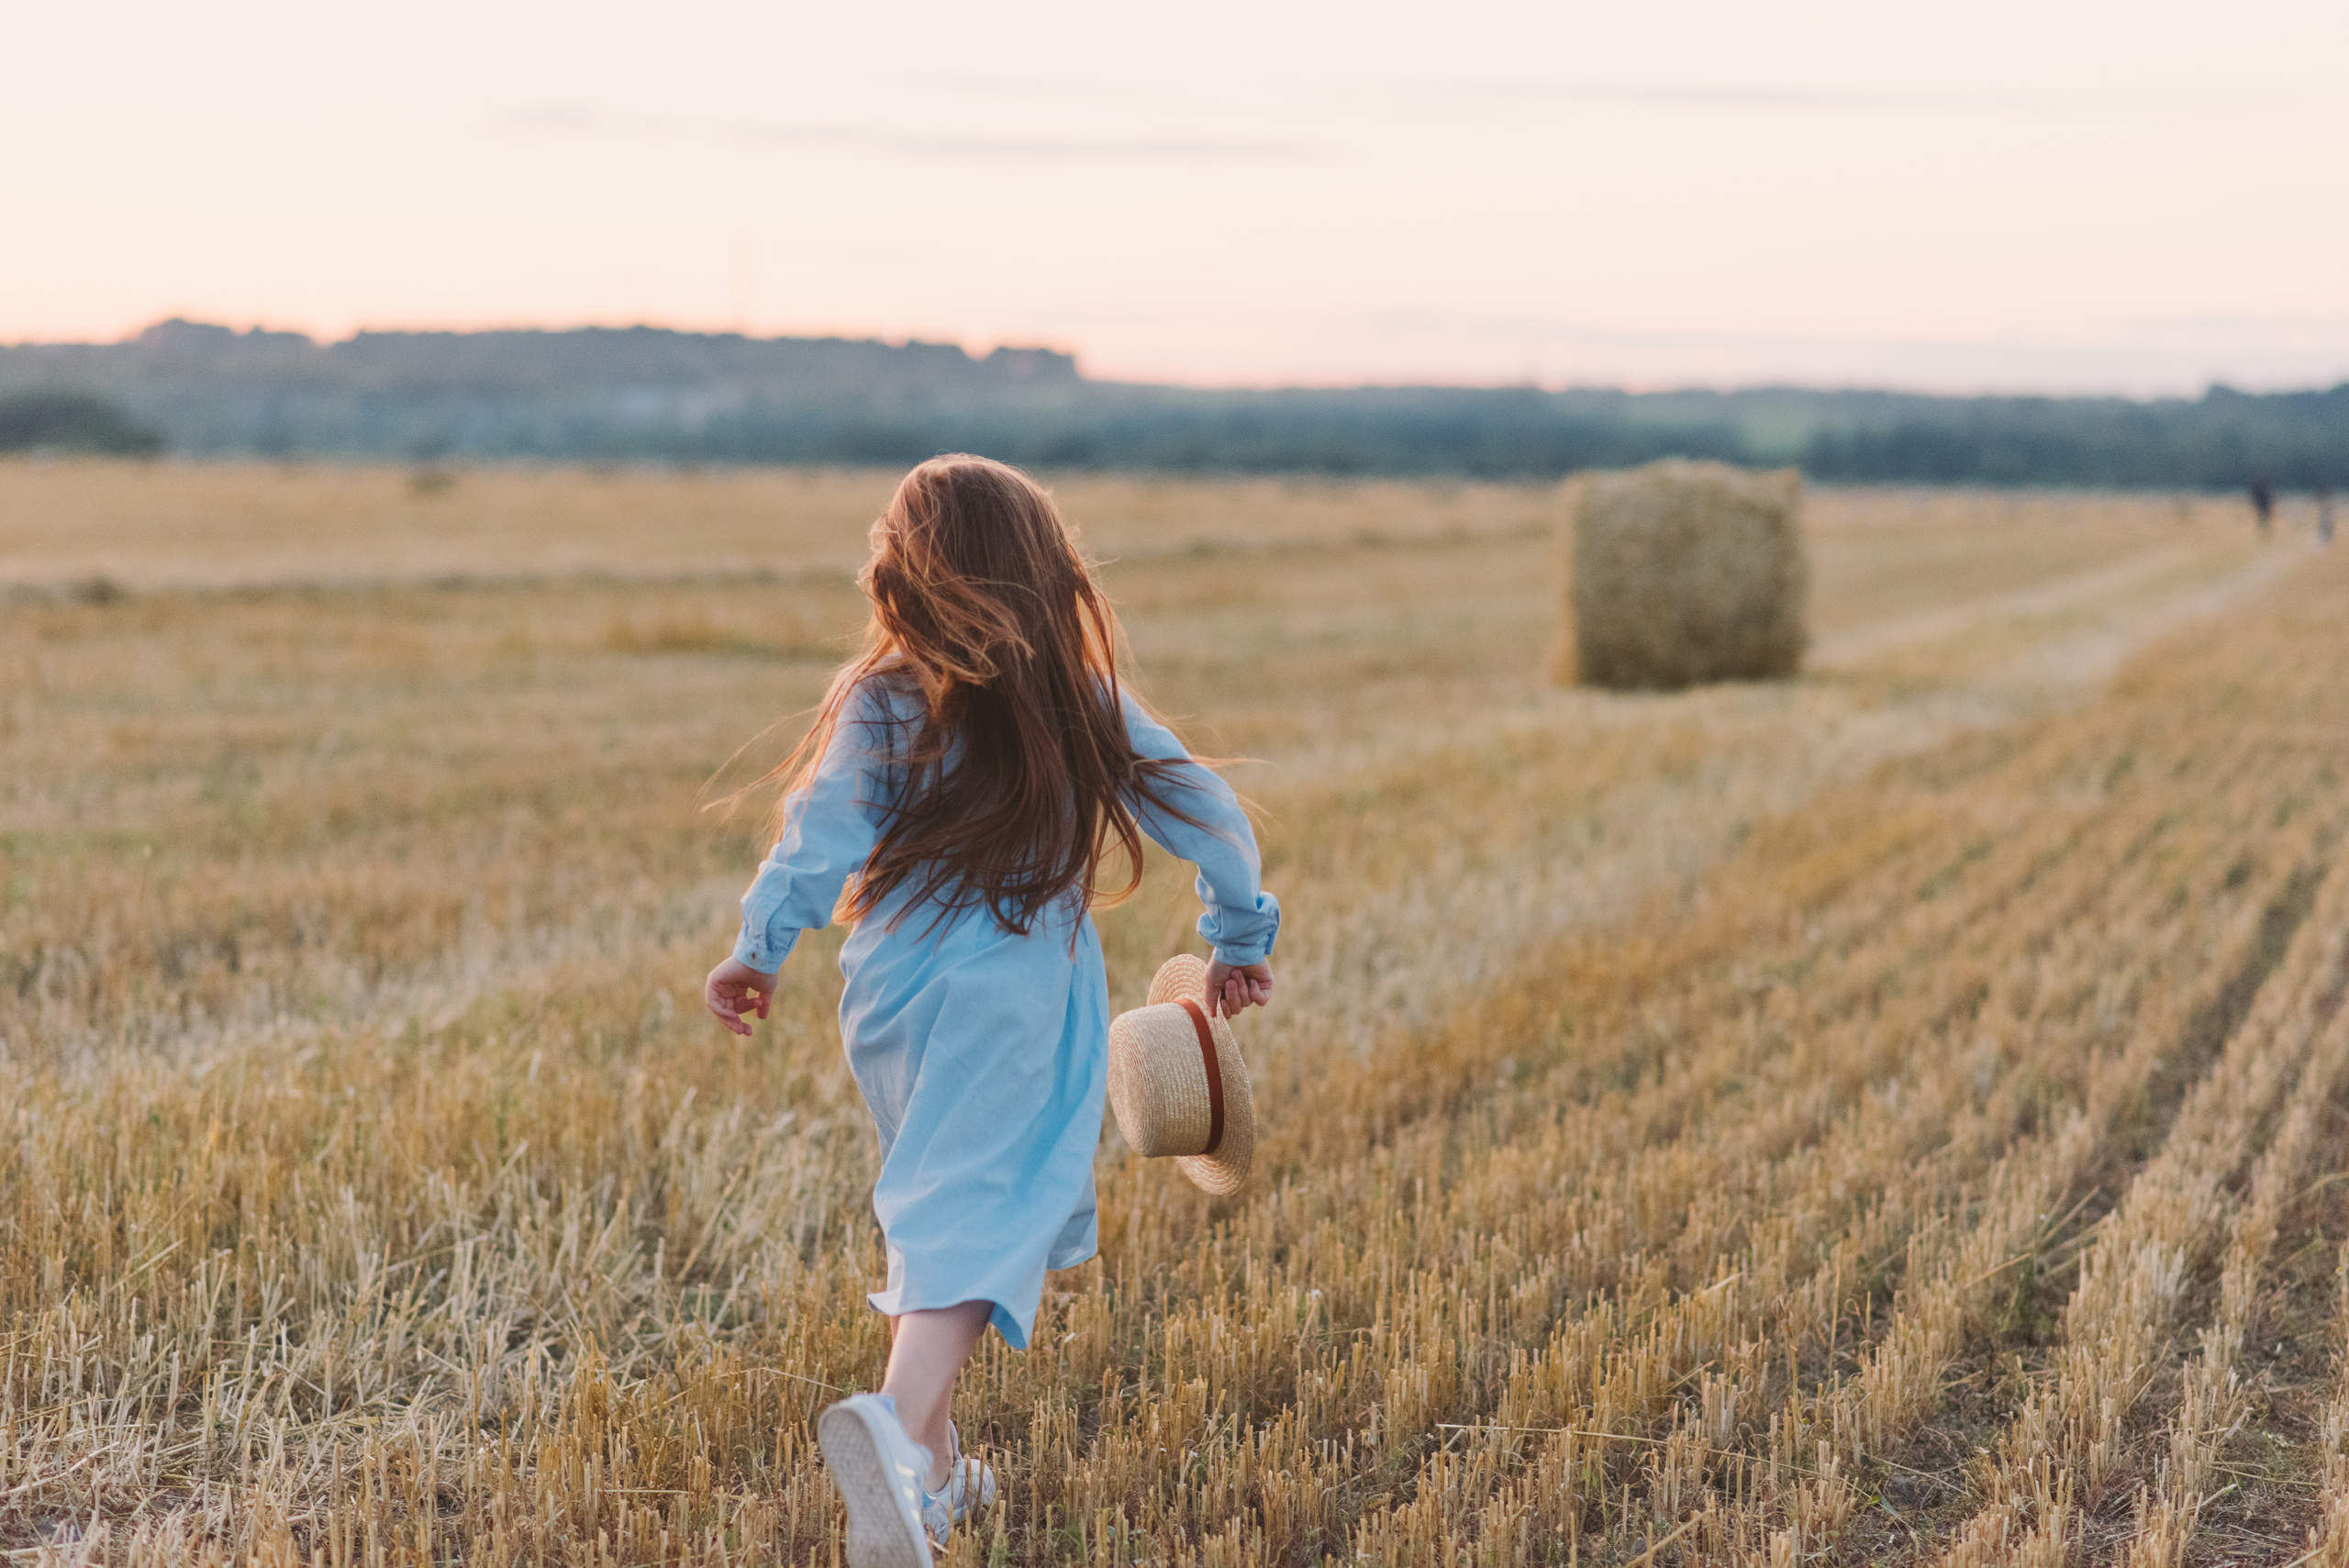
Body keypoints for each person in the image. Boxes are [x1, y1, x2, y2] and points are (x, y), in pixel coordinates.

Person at [702, 455, 1279, 1567]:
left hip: (887, 990)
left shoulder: (876, 696)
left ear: (906, 575)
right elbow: (1211, 815)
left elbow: (812, 839)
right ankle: (892, 1425)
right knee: (985, 1206)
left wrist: (756, 949)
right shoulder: (1078, 698)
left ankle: (930, 1464)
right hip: (1015, 988)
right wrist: (1238, 939)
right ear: (1043, 569)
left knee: (939, 1198)